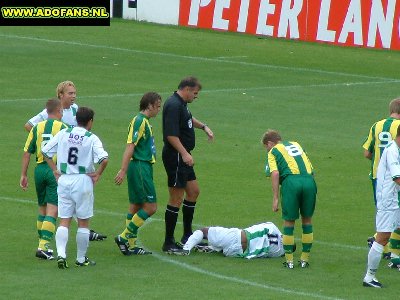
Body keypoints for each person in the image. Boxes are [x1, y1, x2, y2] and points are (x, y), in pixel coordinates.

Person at [24, 80, 107, 242]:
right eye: (70, 93)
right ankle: (48, 242)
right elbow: (29, 126)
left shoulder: (76, 110)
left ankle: (81, 231)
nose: (73, 96)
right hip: (55, 163)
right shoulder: (48, 113)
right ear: (60, 95)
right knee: (58, 203)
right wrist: (46, 139)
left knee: (72, 196)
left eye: (75, 93)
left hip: (72, 162)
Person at [42, 107, 108, 269]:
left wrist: (55, 171)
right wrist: (98, 174)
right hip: (83, 180)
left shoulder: (64, 133)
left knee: (64, 220)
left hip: (64, 180)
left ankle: (62, 255)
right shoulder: (91, 138)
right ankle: (80, 259)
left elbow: (45, 151)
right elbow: (104, 159)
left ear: (77, 119)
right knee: (83, 222)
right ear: (90, 121)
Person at [161, 76, 214, 253]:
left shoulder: (181, 104)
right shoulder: (173, 105)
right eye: (195, 93)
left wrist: (204, 127)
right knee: (176, 198)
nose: (196, 97)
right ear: (187, 89)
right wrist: (184, 153)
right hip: (176, 156)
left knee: (193, 191)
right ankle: (168, 242)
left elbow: (189, 119)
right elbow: (171, 135)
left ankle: (187, 235)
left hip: (182, 156)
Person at [114, 92, 162, 255]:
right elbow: (130, 146)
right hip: (141, 166)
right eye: (157, 106)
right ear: (149, 105)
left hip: (141, 167)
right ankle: (124, 237)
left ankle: (132, 245)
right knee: (150, 207)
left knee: (135, 205)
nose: (158, 110)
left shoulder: (144, 122)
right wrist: (123, 169)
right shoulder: (139, 121)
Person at [262, 129, 317, 269]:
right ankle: (304, 259)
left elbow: (274, 173)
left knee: (289, 221)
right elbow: (310, 167)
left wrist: (275, 198)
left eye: (266, 147)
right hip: (309, 181)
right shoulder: (296, 144)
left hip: (291, 183)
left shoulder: (273, 151)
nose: (266, 150)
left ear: (270, 143)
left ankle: (289, 261)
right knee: (307, 220)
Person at [20, 98, 67, 260]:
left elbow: (27, 152)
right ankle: (43, 246)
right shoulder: (63, 128)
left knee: (42, 208)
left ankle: (42, 242)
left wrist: (23, 174)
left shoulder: (36, 128)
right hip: (54, 170)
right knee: (53, 210)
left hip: (39, 169)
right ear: (60, 111)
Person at [362, 125, 400, 288]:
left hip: (395, 198)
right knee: (382, 237)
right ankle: (369, 277)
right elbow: (397, 178)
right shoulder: (392, 151)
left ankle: (395, 260)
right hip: (388, 200)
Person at [173, 221, 284, 259]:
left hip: (236, 236)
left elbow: (259, 227)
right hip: (237, 253)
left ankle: (186, 249)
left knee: (203, 231)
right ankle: (213, 248)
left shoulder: (273, 227)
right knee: (223, 246)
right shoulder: (279, 253)